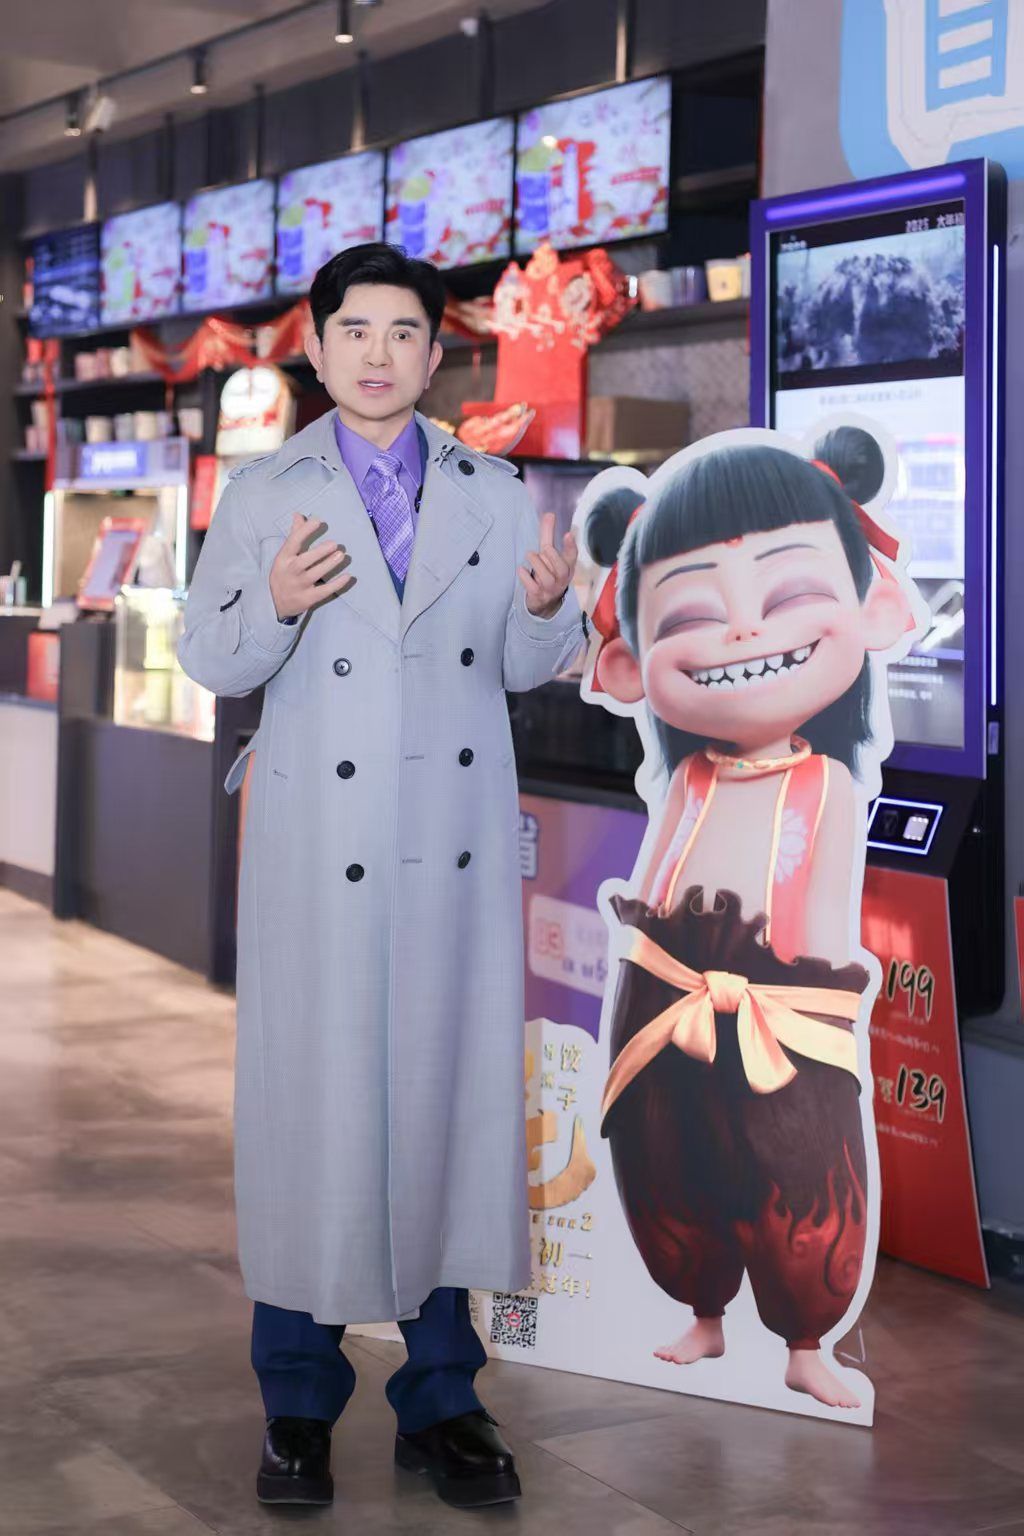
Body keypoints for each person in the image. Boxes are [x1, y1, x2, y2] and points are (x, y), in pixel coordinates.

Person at [176, 242, 584, 1509]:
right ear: (314, 346)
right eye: (354, 330)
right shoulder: (263, 491)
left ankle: (443, 1399)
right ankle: (297, 1404)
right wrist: (273, 602)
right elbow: (211, 658)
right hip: (320, 851)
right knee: (315, 1111)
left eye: (403, 332)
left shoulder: (493, 490)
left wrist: (548, 609)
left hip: (449, 844)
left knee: (447, 1106)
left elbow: (519, 668)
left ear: (434, 351)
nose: (377, 354)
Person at [586, 426, 914, 1411]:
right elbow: (657, 878)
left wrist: (815, 1009)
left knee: (800, 1171)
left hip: (787, 1008)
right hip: (666, 996)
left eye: (783, 595)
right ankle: (700, 1309)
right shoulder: (688, 778)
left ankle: (806, 1337)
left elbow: (825, 910)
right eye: (693, 612)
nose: (741, 632)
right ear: (627, 662)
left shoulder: (826, 786)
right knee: (667, 1159)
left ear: (876, 610)